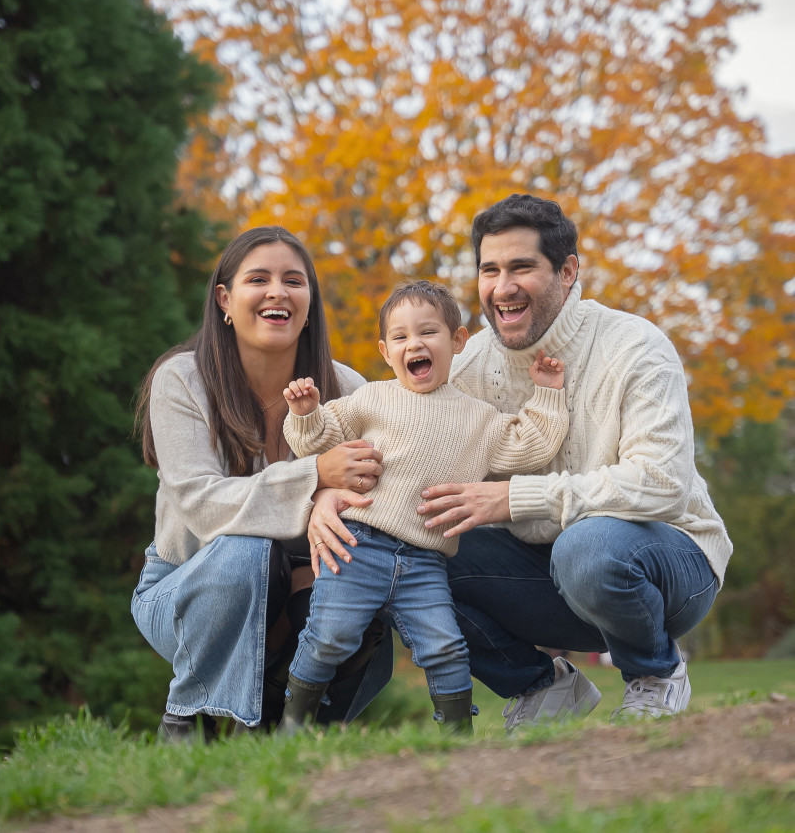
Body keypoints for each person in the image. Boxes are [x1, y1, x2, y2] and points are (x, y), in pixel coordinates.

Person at [412, 194, 733, 728]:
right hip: (549, 576)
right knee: (411, 554)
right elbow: (399, 430)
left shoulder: (635, 347)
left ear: (567, 271)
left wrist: (516, 498)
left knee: (586, 546)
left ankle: (655, 673)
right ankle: (542, 688)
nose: (502, 287)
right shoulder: (467, 369)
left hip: (665, 564)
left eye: (521, 267)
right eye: (489, 270)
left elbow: (662, 483)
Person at [130, 226, 390, 741]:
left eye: (294, 281)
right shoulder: (182, 380)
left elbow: (378, 496)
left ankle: (288, 726)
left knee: (359, 577)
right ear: (225, 299)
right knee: (249, 554)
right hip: (185, 585)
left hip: (307, 574)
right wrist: (314, 476)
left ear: (309, 302)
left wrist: (330, 498)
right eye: (259, 279)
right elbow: (203, 506)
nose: (278, 292)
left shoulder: (349, 390)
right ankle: (185, 720)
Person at [278, 280, 569, 734]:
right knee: (328, 637)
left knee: (446, 646)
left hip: (425, 562)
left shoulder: (478, 418)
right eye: (400, 337)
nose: (414, 343)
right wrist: (306, 413)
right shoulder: (371, 398)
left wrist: (548, 393)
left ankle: (456, 736)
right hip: (358, 546)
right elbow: (317, 442)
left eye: (428, 332)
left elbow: (530, 446)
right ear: (386, 351)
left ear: (456, 342)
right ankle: (293, 725)